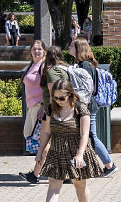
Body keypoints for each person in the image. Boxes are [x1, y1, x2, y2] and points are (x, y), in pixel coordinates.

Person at [32, 79, 104, 202]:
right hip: (56, 152)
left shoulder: (80, 108)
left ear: (70, 94)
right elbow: (46, 132)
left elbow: (85, 134)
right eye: (55, 98)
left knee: (79, 185)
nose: (58, 101)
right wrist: (40, 152)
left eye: (61, 98)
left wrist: (80, 154)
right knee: (54, 185)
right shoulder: (51, 109)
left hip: (76, 152)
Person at [69, 38, 118, 177]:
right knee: (87, 136)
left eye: (73, 45)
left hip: (88, 107)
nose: (69, 47)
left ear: (79, 49)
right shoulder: (84, 64)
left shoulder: (84, 65)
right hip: (87, 106)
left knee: (91, 136)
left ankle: (109, 165)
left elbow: (85, 88)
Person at [19, 41, 49, 183]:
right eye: (34, 49)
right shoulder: (32, 65)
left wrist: (43, 106)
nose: (37, 51)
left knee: (42, 142)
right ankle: (46, 168)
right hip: (32, 107)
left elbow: (47, 88)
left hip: (39, 107)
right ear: (30, 51)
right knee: (29, 136)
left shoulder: (43, 66)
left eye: (39, 49)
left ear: (44, 51)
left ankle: (36, 173)